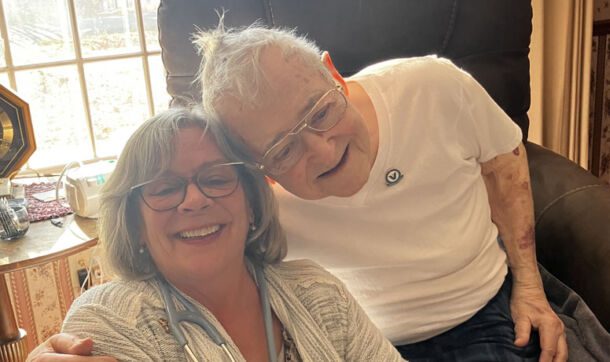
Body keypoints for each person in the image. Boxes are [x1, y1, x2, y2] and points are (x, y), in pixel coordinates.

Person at [29, 24, 569, 361]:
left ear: (333, 72)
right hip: (360, 337)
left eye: (321, 112)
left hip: (479, 315)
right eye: (283, 150)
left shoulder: (435, 85)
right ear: (256, 172)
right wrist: (63, 343)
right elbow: (161, 259)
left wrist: (529, 286)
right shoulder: (242, 204)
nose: (323, 149)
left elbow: (505, 161)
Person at [28, 108, 402, 361]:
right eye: (164, 188)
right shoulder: (110, 321)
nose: (193, 200)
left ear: (252, 204)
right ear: (135, 224)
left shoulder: (321, 295)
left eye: (216, 179)